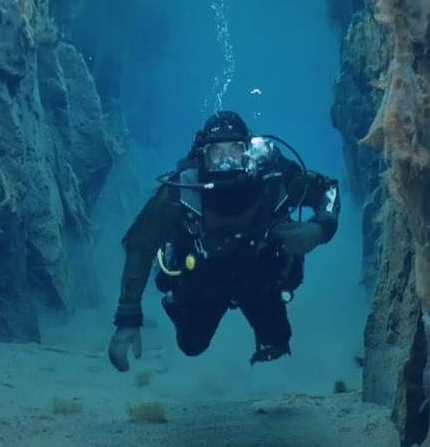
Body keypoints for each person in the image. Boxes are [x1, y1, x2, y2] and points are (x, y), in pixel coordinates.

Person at [107, 110, 341, 372]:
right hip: (205, 280)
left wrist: (321, 229)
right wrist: (128, 316)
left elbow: (327, 189)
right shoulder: (182, 191)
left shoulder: (274, 178)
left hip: (258, 274)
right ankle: (177, 303)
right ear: (202, 156)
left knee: (278, 339)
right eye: (216, 153)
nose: (226, 161)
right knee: (191, 345)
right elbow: (140, 244)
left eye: (235, 151)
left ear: (249, 152)